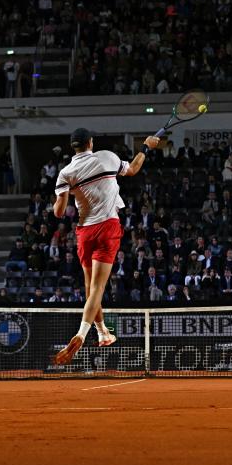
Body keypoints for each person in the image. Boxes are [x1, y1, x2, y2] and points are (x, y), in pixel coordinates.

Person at [52, 128, 159, 364]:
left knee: (91, 289)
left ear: (74, 146)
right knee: (99, 288)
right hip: (108, 227)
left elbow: (59, 213)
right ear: (91, 143)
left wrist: (65, 194)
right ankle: (81, 333)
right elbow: (132, 169)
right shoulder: (107, 157)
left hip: (84, 232)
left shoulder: (65, 173)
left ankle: (102, 333)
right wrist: (146, 147)